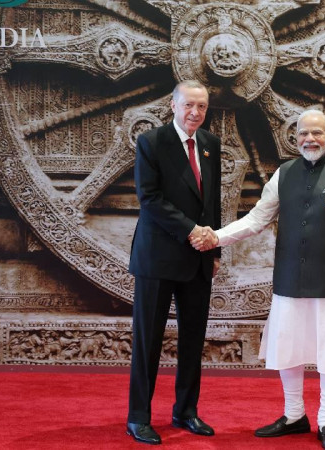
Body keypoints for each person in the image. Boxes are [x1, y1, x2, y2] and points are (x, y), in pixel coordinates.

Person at [191, 109, 325, 450]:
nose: (310, 139)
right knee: (287, 347)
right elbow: (256, 220)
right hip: (290, 278)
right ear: (295, 137)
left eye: (317, 133)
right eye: (304, 133)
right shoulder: (284, 174)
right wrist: (216, 237)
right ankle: (294, 415)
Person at [126, 80, 221, 445]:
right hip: (157, 256)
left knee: (193, 340)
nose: (195, 112)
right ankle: (138, 418)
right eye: (188, 105)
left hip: (199, 258)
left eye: (201, 106)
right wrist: (191, 230)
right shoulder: (151, 142)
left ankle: (186, 411)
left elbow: (211, 200)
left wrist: (214, 249)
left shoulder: (210, 144)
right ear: (173, 105)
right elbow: (149, 198)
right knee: (147, 341)